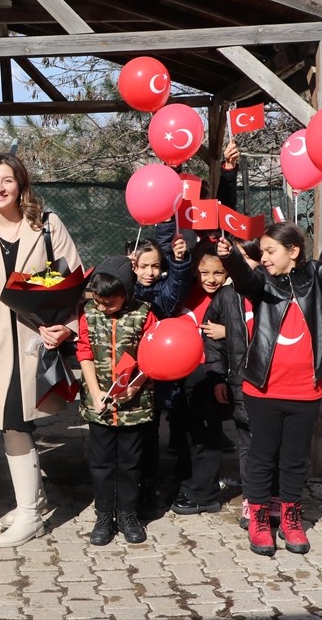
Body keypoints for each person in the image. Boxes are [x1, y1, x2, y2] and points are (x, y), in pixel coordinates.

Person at [217, 216, 322, 557]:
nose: (265, 257)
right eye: (262, 252)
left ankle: (290, 517)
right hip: (264, 390)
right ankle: (258, 519)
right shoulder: (261, 283)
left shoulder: (316, 276)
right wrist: (230, 258)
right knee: (262, 457)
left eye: (271, 251)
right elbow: (244, 278)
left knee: (293, 459)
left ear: (294, 251)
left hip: (305, 391)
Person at [0, 152, 83, 548]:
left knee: (15, 421)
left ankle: (30, 513)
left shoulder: (47, 226)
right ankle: (32, 502)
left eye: (6, 180)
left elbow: (74, 283)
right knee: (10, 421)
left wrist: (68, 328)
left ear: (21, 184)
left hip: (37, 345)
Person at [77, 256, 158, 546]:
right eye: (98, 301)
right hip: (99, 405)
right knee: (101, 463)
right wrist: (94, 391)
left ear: (126, 292)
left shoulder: (145, 314)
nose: (102, 307)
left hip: (133, 407)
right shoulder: (88, 313)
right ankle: (103, 516)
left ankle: (127, 514)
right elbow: (84, 351)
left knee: (130, 463)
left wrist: (135, 388)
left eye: (109, 303)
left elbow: (155, 357)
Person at [169, 241, 237, 517]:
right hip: (182, 373)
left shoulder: (232, 296)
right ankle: (188, 485)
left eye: (218, 273)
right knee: (186, 434)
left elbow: (254, 329)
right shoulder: (185, 294)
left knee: (207, 437)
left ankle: (205, 494)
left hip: (212, 374)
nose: (211, 279)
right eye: (204, 272)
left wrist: (229, 331)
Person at [130, 231, 193, 516]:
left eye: (155, 265)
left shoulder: (164, 291)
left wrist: (179, 262)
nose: (150, 272)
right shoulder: (126, 288)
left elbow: (177, 288)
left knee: (152, 431)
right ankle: (129, 485)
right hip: (128, 373)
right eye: (143, 266)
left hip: (157, 374)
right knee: (132, 435)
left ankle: (148, 487)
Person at [202, 238, 263, 528]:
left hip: (272, 382)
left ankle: (272, 497)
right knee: (247, 444)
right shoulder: (226, 296)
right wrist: (217, 375)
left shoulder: (272, 289)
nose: (240, 265)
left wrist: (226, 331)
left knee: (271, 444)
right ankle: (251, 500)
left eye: (246, 259)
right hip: (239, 381)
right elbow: (207, 334)